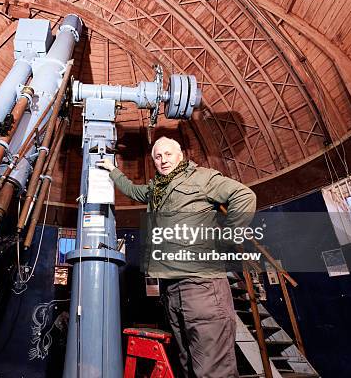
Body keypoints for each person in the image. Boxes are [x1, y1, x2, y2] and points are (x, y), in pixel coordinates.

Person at [97, 136, 256, 378]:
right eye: (158, 157)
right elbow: (134, 190)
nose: (163, 160)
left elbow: (245, 196)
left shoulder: (201, 177)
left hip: (202, 287)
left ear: (180, 155)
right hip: (172, 291)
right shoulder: (156, 189)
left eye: (168, 154)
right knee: (187, 368)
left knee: (213, 371)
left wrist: (226, 238)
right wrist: (113, 170)